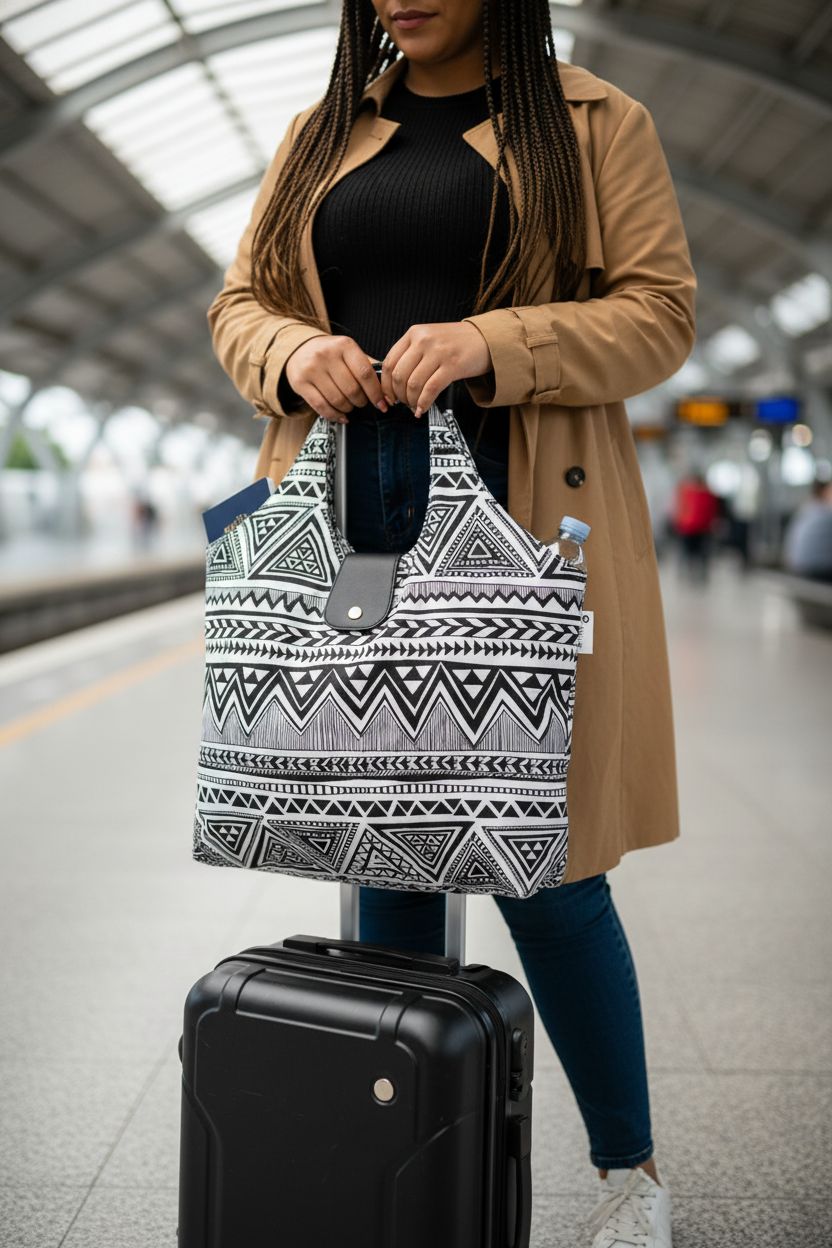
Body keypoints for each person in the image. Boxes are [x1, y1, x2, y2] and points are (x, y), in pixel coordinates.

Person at [206, 3, 696, 1244]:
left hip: (525, 530)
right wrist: (290, 353)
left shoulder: (593, 124)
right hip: (353, 525)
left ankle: (629, 1181)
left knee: (552, 868)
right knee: (382, 847)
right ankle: (398, 1155)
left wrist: (493, 342)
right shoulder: (326, 132)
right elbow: (238, 303)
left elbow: (659, 313)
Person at [671, 471, 719, 583]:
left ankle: (686, 573)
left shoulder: (686, 492)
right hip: (703, 528)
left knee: (686, 552)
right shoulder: (708, 494)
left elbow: (680, 509)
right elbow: (712, 511)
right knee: (702, 554)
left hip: (688, 527)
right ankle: (701, 574)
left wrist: (678, 522)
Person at [782, 476, 832, 582]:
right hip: (817, 571)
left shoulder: (806, 509)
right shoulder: (826, 513)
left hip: (796, 567)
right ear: (825, 492)